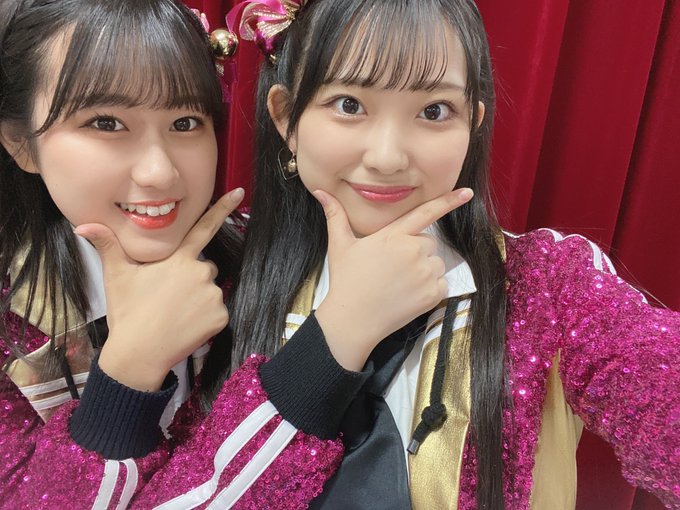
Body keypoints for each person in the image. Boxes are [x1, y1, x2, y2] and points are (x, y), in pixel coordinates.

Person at [130, 0, 679, 508]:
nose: (388, 157)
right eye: (349, 105)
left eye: (434, 110)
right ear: (285, 117)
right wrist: (336, 338)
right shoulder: (220, 280)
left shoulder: (550, 286)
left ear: (473, 125)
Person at [0, 0, 247, 505]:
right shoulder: (13, 318)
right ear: (21, 143)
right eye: (106, 123)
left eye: (185, 122)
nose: (159, 172)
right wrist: (130, 371)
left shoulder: (265, 268)